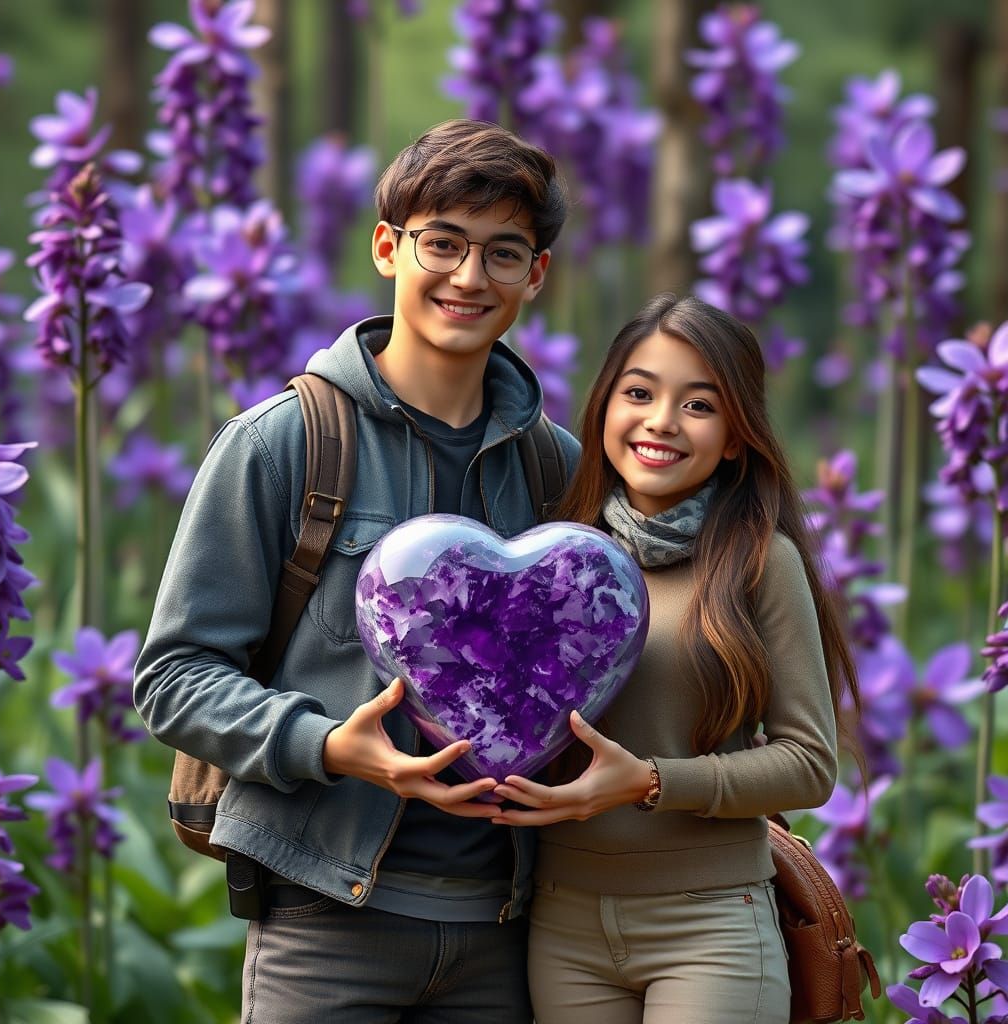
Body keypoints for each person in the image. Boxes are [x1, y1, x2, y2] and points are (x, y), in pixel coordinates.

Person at [134, 119, 579, 1024]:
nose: (468, 276)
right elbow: (173, 680)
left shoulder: (558, 471)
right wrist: (333, 746)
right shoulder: (284, 442)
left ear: (535, 276)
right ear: (387, 246)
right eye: (442, 243)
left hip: (508, 937)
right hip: (324, 922)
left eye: (503, 253)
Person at [490, 293, 859, 1024]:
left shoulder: (760, 559)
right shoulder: (553, 554)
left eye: (698, 405)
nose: (661, 421)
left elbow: (810, 763)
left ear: (732, 437)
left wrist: (651, 782)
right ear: (602, 410)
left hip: (710, 926)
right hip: (562, 923)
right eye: (639, 393)